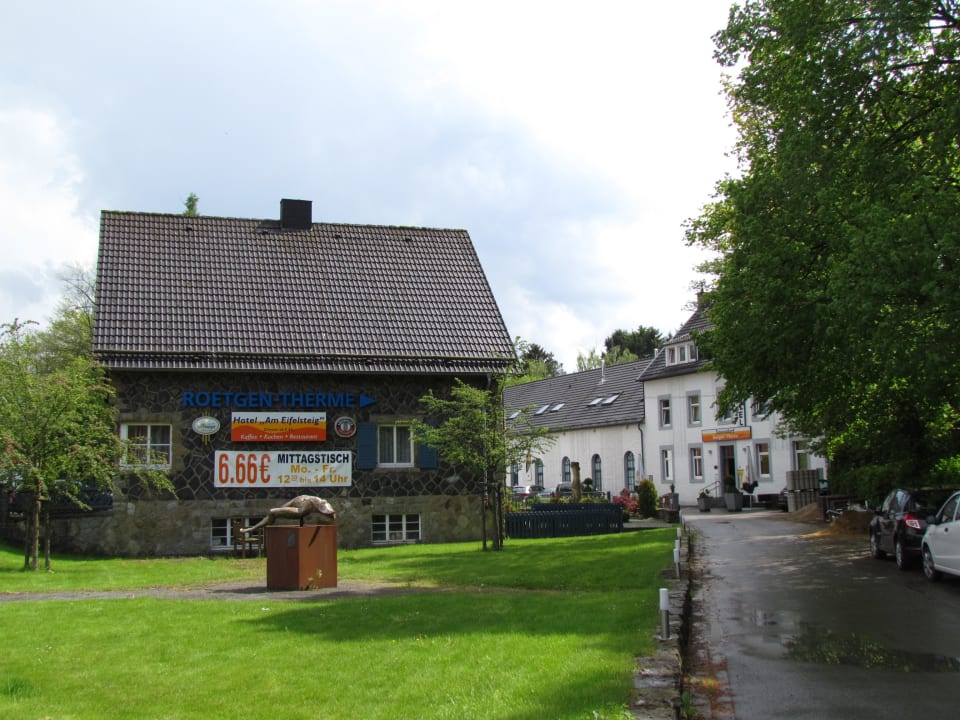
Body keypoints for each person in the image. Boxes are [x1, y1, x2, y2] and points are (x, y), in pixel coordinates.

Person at [240, 495, 336, 534]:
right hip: (298, 500)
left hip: (301, 508)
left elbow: (331, 514)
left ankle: (252, 529)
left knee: (272, 512)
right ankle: (253, 528)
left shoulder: (320, 503)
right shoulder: (310, 500)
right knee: (274, 513)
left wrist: (324, 518)